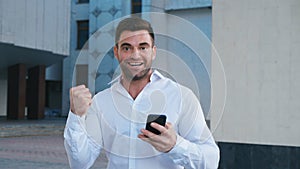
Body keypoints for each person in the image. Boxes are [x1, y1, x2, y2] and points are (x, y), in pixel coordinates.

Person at [64, 17, 220, 169]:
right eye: (127, 48)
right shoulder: (101, 101)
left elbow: (210, 161)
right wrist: (76, 115)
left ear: (153, 52)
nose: (135, 55)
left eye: (143, 47)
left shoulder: (181, 97)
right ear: (116, 52)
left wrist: (175, 145)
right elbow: (80, 163)